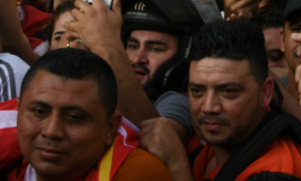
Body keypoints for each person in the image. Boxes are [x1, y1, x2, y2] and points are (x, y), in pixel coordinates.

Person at [138, 21, 301, 181]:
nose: (208, 107)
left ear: (265, 93)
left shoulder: (277, 172)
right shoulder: (220, 136)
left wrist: (178, 166)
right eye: (197, 91)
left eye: (228, 92)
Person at [0, 48, 172, 181]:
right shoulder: (8, 160)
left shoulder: (136, 173)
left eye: (74, 117)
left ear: (110, 127)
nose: (51, 131)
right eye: (39, 112)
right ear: (19, 111)